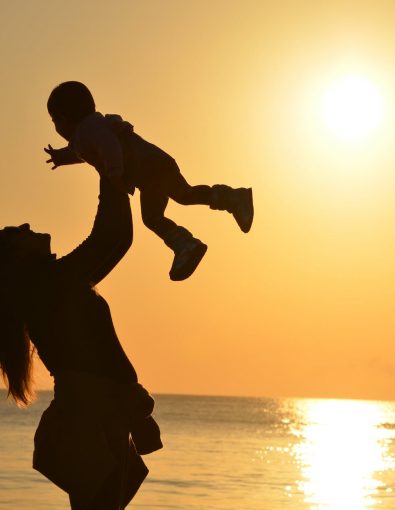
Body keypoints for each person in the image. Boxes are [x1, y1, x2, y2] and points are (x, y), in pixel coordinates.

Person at [0, 177, 162, 509]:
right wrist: (110, 172)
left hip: (100, 412)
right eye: (20, 232)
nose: (29, 225)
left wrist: (115, 178)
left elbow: (116, 242)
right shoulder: (50, 284)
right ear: (15, 258)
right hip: (88, 415)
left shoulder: (57, 283)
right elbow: (109, 240)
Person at [44, 81, 254, 281]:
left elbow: (108, 145)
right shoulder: (91, 130)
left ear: (63, 119)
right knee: (180, 198)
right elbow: (81, 152)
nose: (56, 128)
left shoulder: (88, 130)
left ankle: (189, 241)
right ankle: (223, 207)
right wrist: (61, 158)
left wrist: (115, 173)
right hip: (153, 167)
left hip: (149, 167)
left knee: (161, 211)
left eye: (54, 122)